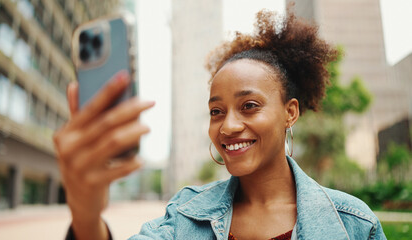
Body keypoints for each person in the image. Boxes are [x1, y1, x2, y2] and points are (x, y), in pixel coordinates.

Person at [54, 7, 387, 240]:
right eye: (216, 111)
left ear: (291, 112)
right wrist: (86, 217)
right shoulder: (185, 214)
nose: (227, 126)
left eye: (249, 106)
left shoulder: (353, 224)